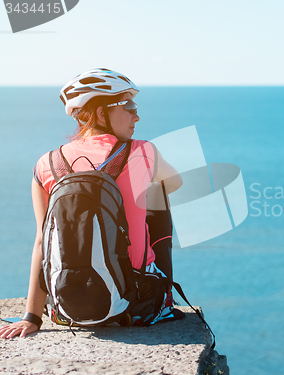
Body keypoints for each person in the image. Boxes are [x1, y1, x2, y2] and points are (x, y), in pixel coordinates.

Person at [0, 68, 183, 339]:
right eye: (129, 106)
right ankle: (163, 292)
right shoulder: (142, 151)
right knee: (158, 193)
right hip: (134, 307)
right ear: (100, 113)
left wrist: (31, 317)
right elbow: (175, 182)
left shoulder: (46, 164)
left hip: (67, 310)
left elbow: (42, 241)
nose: (137, 115)